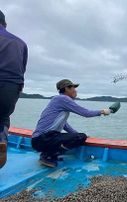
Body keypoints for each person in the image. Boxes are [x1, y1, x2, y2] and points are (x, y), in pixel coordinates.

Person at [31, 79, 120, 168]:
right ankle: (47, 155)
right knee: (81, 137)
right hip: (43, 139)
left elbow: (64, 124)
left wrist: (76, 134)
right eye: (73, 88)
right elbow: (86, 113)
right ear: (66, 88)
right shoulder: (63, 99)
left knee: (78, 136)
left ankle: (49, 154)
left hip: (38, 141)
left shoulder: (58, 100)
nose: (75, 90)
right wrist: (103, 111)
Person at [0, 10, 28, 168]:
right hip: (11, 88)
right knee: (3, 118)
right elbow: (21, 70)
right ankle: (2, 140)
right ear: (5, 24)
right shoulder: (21, 43)